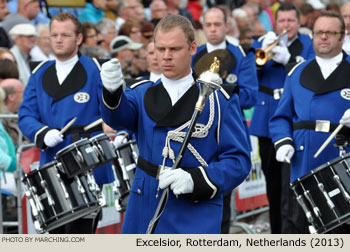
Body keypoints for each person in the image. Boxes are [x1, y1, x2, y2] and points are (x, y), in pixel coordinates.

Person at [99, 14, 251, 234]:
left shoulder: (219, 99)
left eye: (174, 49)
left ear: (192, 48)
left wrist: (196, 179)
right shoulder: (141, 92)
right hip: (146, 205)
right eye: (160, 49)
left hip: (194, 211)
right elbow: (118, 119)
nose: (166, 57)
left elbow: (239, 161)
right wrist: (112, 92)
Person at [17, 12, 115, 234]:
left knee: (81, 234)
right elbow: (25, 115)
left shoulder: (96, 70)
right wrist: (42, 132)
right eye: (54, 35)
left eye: (65, 35)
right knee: (55, 235)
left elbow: (113, 111)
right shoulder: (39, 73)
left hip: (86, 162)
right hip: (52, 160)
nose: (58, 40)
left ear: (79, 39)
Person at [270, 10, 350, 234]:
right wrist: (283, 141)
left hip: (342, 164)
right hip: (303, 164)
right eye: (318, 32)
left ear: (342, 37)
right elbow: (281, 117)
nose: (323, 37)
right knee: (299, 228)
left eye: (330, 32)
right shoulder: (297, 72)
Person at [192, 6, 258, 234]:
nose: (212, 29)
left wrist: (221, 90)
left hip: (228, 133)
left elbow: (250, 95)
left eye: (217, 24)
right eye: (208, 24)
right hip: (198, 134)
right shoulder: (195, 54)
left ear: (227, 26)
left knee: (221, 197)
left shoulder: (242, 54)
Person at [249, 3, 315, 234]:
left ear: (299, 23)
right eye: (282, 21)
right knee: (273, 185)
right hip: (268, 120)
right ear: (275, 23)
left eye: (290, 21)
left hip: (294, 122)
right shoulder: (263, 43)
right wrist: (263, 52)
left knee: (292, 187)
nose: (286, 26)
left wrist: (289, 58)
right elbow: (252, 72)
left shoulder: (308, 45)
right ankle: (276, 234)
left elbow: (309, 75)